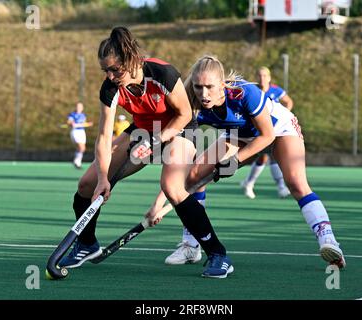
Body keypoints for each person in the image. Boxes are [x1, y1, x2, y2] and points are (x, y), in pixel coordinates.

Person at [58, 27, 232, 279]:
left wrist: (155, 141)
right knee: (87, 184)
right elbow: (105, 137)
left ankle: (217, 254)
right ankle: (87, 244)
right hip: (142, 129)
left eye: (115, 69)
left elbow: (184, 114)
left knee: (172, 187)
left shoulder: (162, 73)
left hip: (179, 130)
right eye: (105, 70)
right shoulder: (110, 88)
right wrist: (104, 179)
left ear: (131, 60)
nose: (110, 76)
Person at [146, 56, 345, 271]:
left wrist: (234, 161)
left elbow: (266, 136)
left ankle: (328, 239)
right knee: (195, 175)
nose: (204, 94)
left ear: (222, 84)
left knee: (296, 183)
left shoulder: (244, 93)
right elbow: (177, 168)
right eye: (198, 87)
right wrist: (158, 203)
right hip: (239, 135)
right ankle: (191, 245)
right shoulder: (191, 105)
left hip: (278, 130)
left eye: (209, 87)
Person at [241, 66, 294, 199]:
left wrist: (285, 114)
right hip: (258, 128)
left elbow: (288, 101)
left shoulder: (275, 90)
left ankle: (278, 185)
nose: (262, 78)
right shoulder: (253, 90)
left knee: (273, 155)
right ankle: (250, 183)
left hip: (274, 127)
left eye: (265, 75)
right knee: (263, 157)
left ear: (269, 78)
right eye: (259, 75)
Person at [67, 102, 93, 169]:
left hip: (82, 132)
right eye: (78, 106)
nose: (79, 108)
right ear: (75, 107)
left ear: (82, 108)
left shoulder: (83, 115)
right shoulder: (72, 114)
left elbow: (83, 123)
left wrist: (88, 124)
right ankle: (77, 161)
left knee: (83, 149)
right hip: (75, 132)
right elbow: (69, 122)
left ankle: (77, 162)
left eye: (80, 107)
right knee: (81, 147)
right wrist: (71, 123)